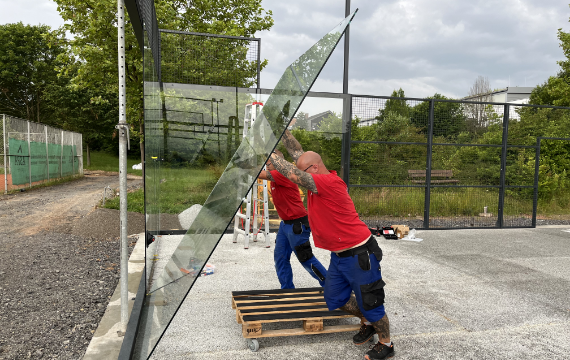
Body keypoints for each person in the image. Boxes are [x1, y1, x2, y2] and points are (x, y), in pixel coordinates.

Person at [269, 130, 394, 360]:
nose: (299, 175)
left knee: (371, 302)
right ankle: (366, 319)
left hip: (360, 254)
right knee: (335, 299)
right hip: (339, 256)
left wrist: (270, 154)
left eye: (303, 170)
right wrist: (280, 132)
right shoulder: (317, 177)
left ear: (315, 168)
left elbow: (294, 174)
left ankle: (386, 343)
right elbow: (297, 153)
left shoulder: (329, 182)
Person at [257, 149, 327, 289]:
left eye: (269, 162)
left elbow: (260, 174)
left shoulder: (282, 174)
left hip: (297, 224)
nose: (267, 165)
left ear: (279, 163)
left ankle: (332, 286)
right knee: (280, 258)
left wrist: (244, 165)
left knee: (305, 258)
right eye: (266, 163)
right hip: (285, 224)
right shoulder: (274, 177)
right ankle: (287, 289)